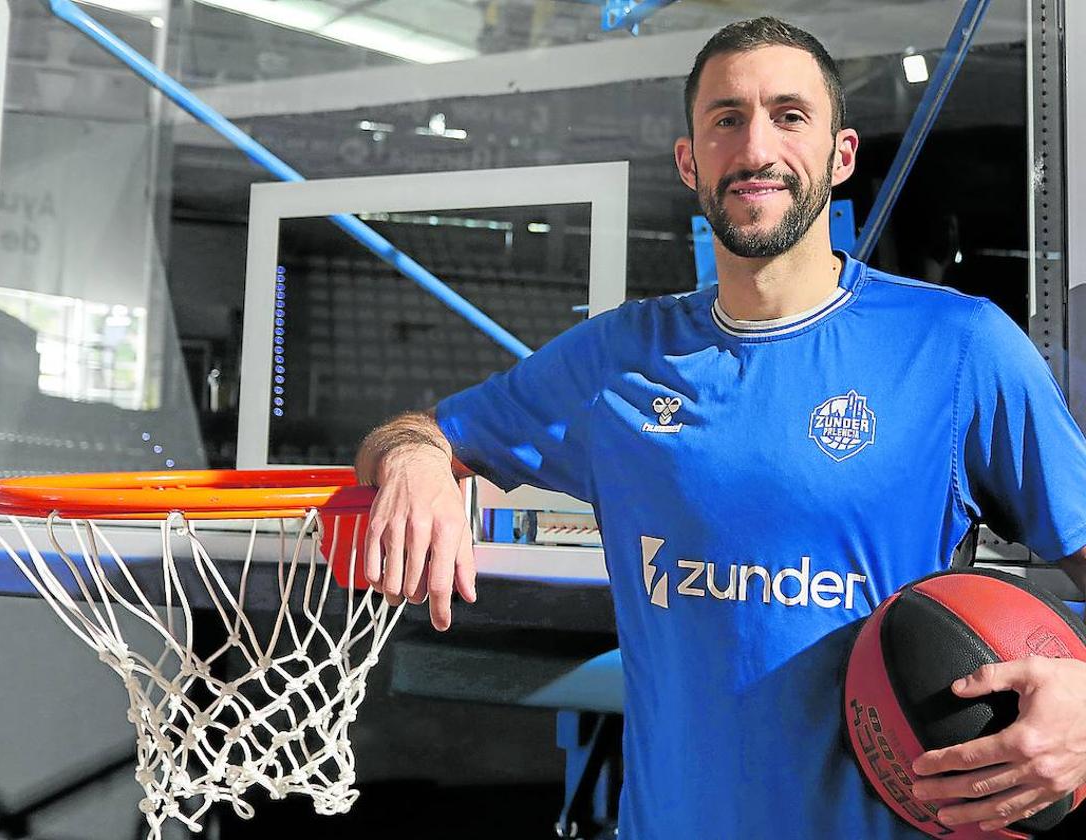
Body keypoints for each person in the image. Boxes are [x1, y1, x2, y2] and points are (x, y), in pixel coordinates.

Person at [353, 16, 1086, 839]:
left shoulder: (957, 349)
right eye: (726, 119)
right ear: (689, 160)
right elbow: (426, 431)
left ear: (842, 156)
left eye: (789, 115)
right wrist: (416, 459)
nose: (756, 147)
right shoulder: (619, 361)